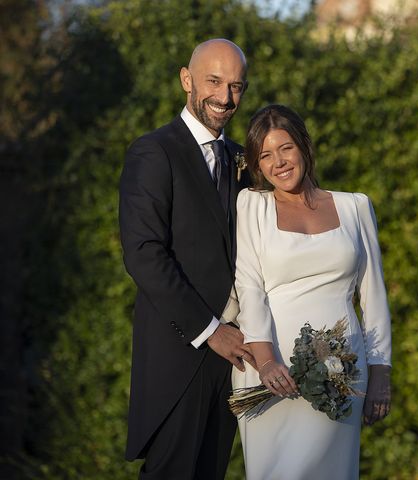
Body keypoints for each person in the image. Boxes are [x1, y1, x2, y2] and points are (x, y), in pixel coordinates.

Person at [231, 104, 392, 479]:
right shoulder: (252, 205)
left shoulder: (356, 207)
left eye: (285, 148)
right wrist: (267, 361)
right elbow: (249, 285)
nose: (279, 163)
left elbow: (374, 296)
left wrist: (380, 371)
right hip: (273, 373)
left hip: (343, 373)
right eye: (266, 156)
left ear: (303, 146)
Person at [119, 38, 256, 479]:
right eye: (214, 81)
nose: (224, 97)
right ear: (186, 79)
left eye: (236, 86)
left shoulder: (244, 161)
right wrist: (211, 331)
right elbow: (144, 254)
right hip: (179, 355)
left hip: (233, 361)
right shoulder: (154, 151)